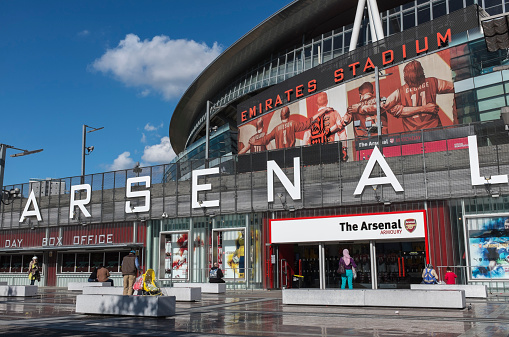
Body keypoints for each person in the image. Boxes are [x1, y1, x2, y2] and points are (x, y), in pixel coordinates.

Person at [381, 59, 455, 132]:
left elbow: (386, 107)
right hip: (434, 130)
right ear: (421, 71)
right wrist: (424, 108)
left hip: (412, 135)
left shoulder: (400, 91)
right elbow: (454, 87)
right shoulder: (433, 82)